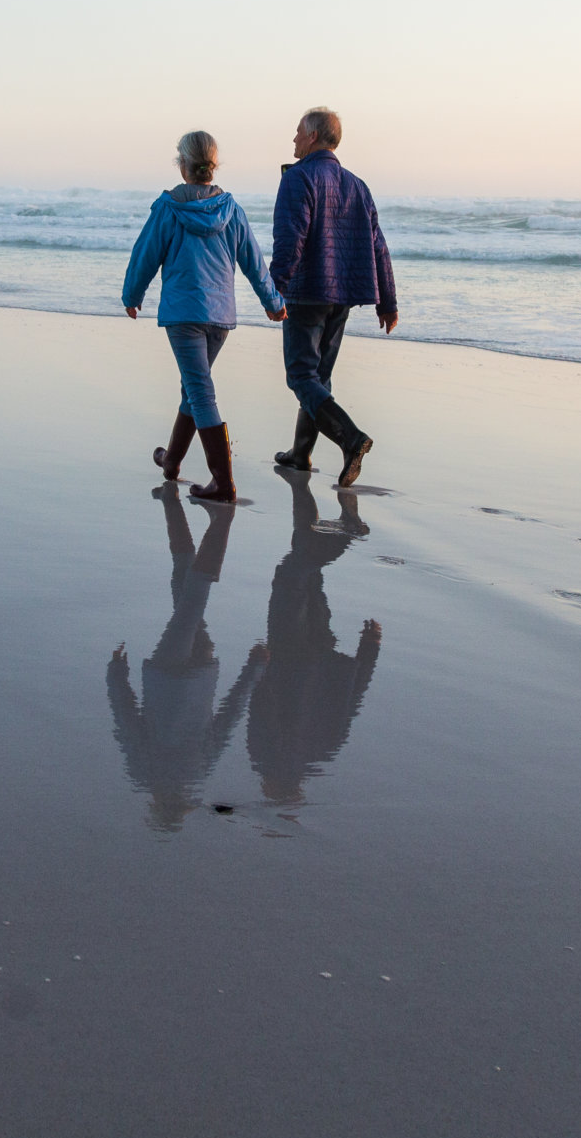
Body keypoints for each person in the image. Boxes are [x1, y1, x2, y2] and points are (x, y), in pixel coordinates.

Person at [122, 130, 286, 503]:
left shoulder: (168, 208)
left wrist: (132, 295)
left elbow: (145, 254)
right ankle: (172, 461)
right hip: (220, 316)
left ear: (183, 166)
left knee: (199, 390)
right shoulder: (231, 210)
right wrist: (273, 300)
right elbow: (254, 263)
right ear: (213, 167)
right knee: (193, 388)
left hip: (184, 315)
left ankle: (222, 482)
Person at [105, 486, 263, 831]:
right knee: (190, 598)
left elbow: (226, 721)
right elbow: (127, 723)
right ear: (158, 805)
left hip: (202, 673)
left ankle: (173, 508)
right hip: (167, 676)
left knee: (184, 590)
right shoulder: (145, 774)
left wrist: (252, 671)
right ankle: (219, 523)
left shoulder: (197, 775)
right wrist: (115, 676)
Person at [267, 106, 397, 485]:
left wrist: (276, 286)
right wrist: (388, 301)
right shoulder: (358, 185)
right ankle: (300, 455)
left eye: (296, 132)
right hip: (343, 294)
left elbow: (290, 237)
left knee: (301, 376)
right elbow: (379, 246)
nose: (292, 139)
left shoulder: (299, 179)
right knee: (318, 376)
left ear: (312, 136)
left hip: (308, 291)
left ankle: (351, 438)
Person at [246, 466, 383, 806]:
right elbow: (260, 711)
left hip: (323, 651)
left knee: (308, 575)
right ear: (276, 791)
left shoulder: (324, 754)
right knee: (290, 575)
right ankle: (346, 536)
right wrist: (257, 669)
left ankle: (302, 491)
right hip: (288, 655)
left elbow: (351, 702)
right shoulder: (266, 758)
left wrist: (370, 650)